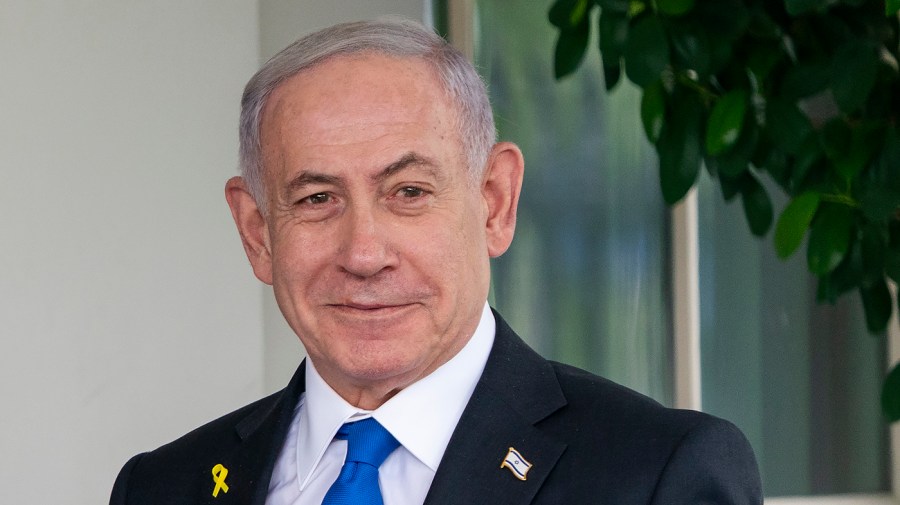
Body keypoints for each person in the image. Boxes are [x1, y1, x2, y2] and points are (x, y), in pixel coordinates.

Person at [110, 17, 762, 505]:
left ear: (494, 202)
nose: (364, 254)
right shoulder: (162, 488)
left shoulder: (657, 476)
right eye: (317, 198)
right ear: (257, 233)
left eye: (409, 192)